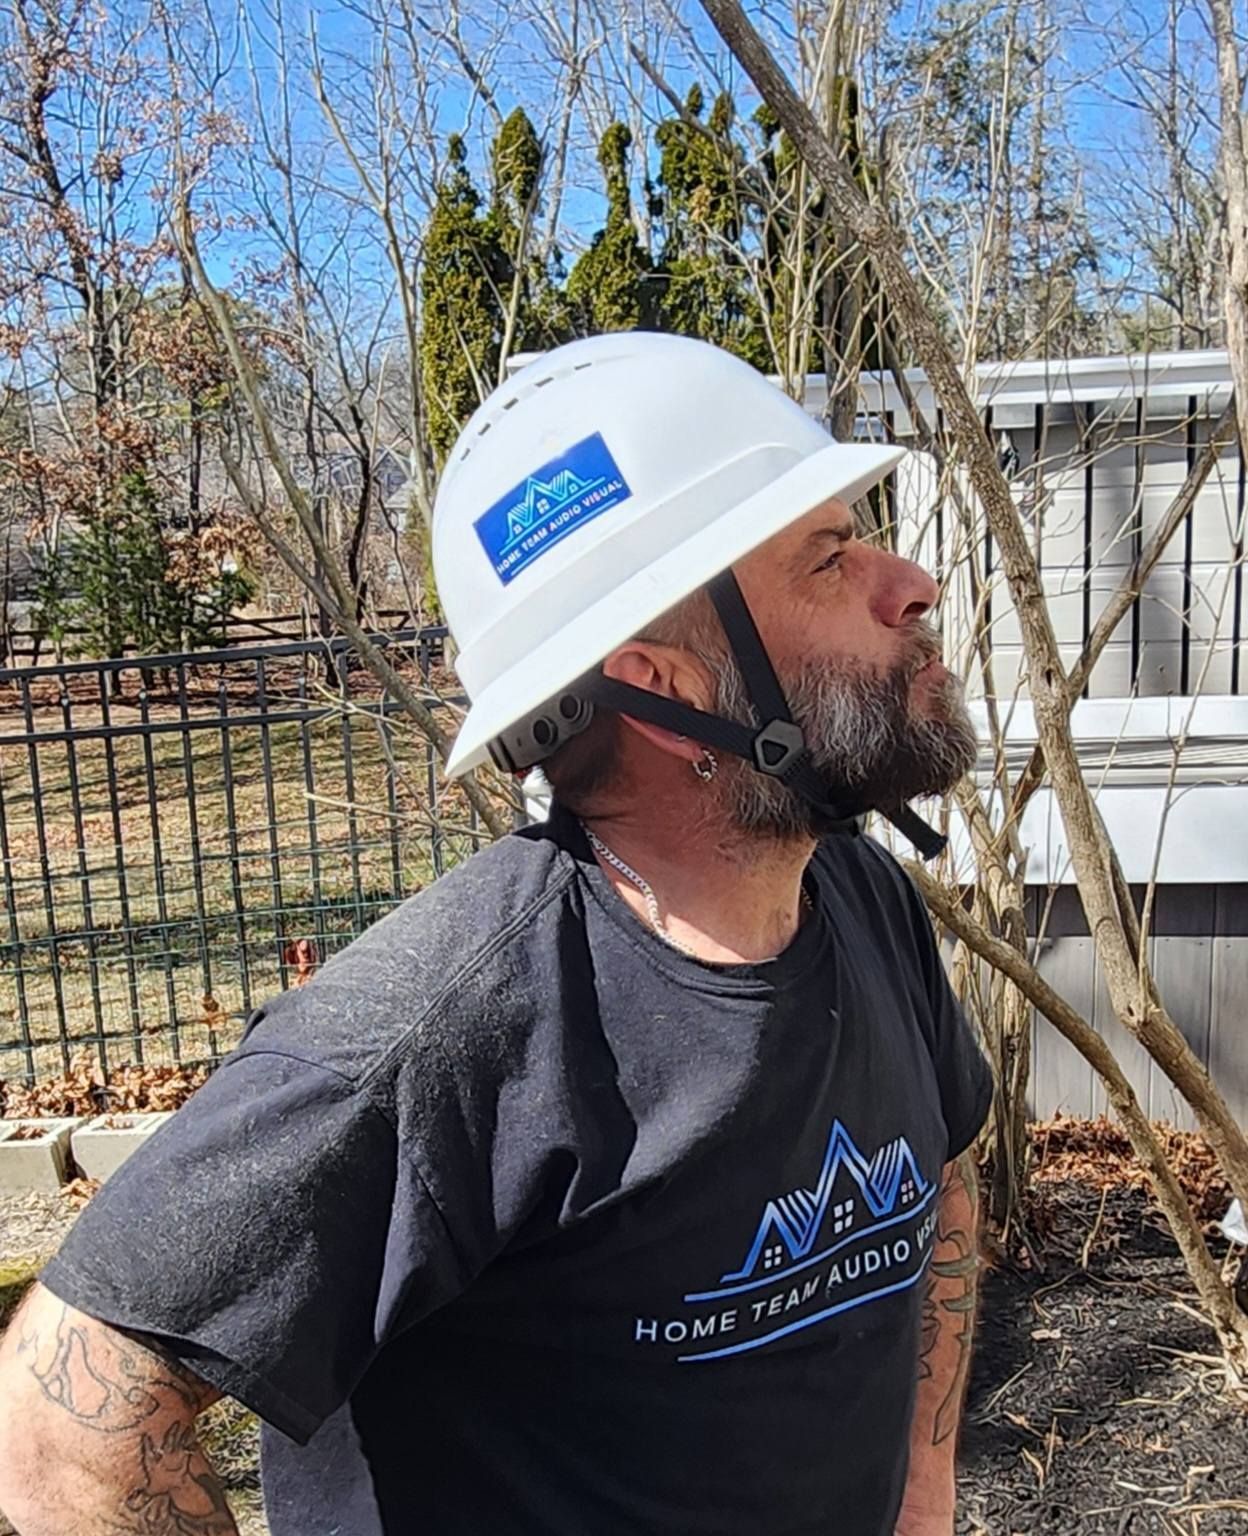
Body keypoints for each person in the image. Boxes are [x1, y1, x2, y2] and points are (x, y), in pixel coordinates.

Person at [0, 333, 992, 1536]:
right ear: (665, 685)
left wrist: (925, 1499)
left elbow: (939, 1167)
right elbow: (64, 1429)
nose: (911, 583)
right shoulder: (444, 1026)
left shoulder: (863, 903)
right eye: (830, 560)